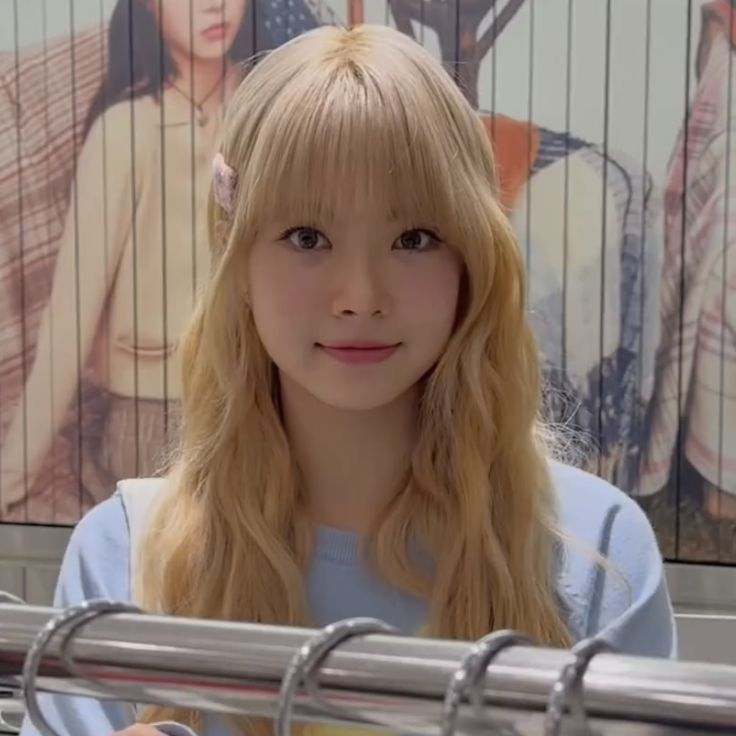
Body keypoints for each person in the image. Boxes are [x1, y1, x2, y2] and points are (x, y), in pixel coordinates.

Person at [19, 22, 676, 736]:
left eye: (413, 239)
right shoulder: (124, 557)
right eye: (307, 238)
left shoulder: (596, 552)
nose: (360, 296)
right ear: (237, 258)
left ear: (472, 261)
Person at [0, 0, 318, 522]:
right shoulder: (126, 130)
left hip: (268, 402)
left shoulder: (277, 115)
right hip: (149, 420)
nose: (214, 5)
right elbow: (69, 319)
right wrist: (11, 478)